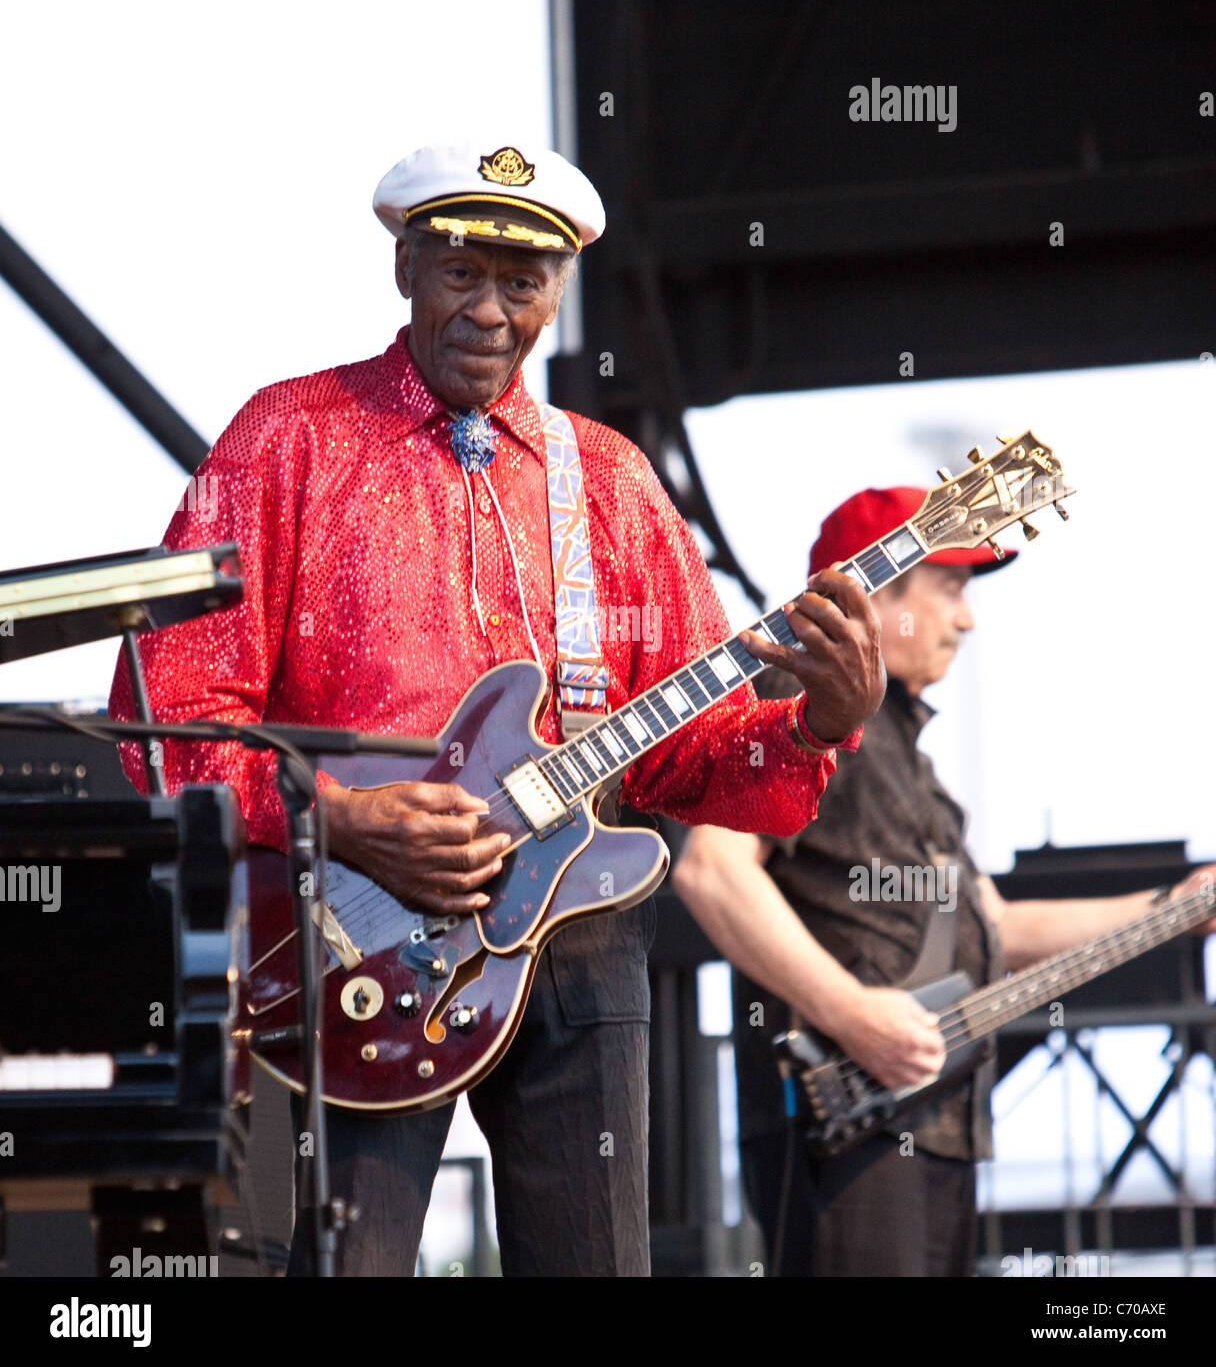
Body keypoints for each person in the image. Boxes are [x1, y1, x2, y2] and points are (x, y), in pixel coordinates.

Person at [108, 141, 886, 1276]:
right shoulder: (289, 437)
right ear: (403, 268)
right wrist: (344, 820)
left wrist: (820, 719)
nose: (487, 310)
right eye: (458, 272)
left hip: (579, 938)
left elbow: (688, 759)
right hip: (342, 940)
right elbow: (168, 721)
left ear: (560, 290)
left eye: (522, 284)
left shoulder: (608, 478)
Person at [671, 485, 1213, 1277]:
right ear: (873, 591)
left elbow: (1000, 928)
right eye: (951, 589)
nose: (967, 619)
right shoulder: (797, 700)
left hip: (937, 1118)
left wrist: (1174, 908)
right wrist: (852, 1014)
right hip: (843, 1125)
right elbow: (712, 873)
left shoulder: (915, 769)